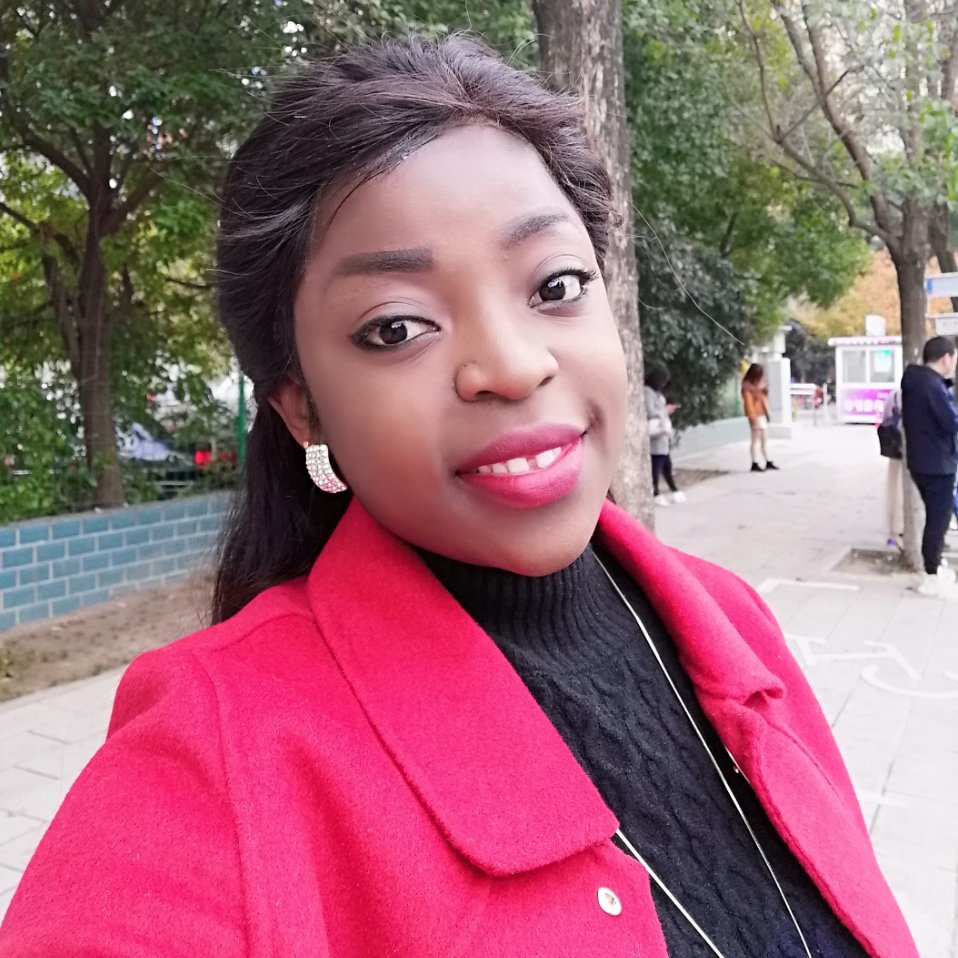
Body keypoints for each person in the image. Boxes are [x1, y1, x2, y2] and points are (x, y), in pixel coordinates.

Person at [0, 36, 915, 958]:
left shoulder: (732, 622)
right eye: (397, 327)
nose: (512, 366)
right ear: (302, 406)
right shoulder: (214, 758)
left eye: (556, 285)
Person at [901, 335, 958, 596]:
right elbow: (950, 422)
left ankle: (933, 568)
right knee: (938, 521)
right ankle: (931, 574)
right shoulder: (932, 386)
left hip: (922, 462)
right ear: (946, 358)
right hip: (937, 464)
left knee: (936, 519)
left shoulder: (916, 381)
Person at [644, 362, 684, 506]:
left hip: (662, 435)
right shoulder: (647, 391)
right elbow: (649, 411)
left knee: (666, 464)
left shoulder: (657, 392)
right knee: (658, 464)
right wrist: (665, 411)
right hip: (656, 435)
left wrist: (667, 410)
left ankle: (673, 491)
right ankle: (657, 493)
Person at [877, 386, 904, 548]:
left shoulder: (893, 395)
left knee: (893, 490)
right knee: (903, 491)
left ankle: (893, 530)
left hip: (894, 450)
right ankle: (900, 528)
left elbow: (885, 419)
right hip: (910, 451)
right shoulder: (918, 393)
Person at [741, 362, 779, 472]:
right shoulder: (747, 387)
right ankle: (754, 462)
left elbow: (763, 398)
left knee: (764, 440)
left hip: (762, 414)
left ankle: (767, 460)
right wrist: (752, 418)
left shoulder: (758, 384)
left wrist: (763, 390)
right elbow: (748, 404)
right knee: (755, 440)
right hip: (755, 415)